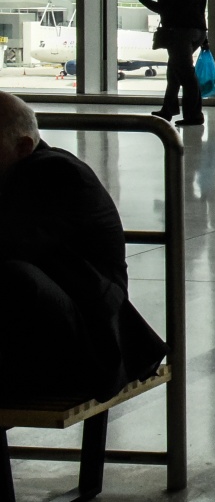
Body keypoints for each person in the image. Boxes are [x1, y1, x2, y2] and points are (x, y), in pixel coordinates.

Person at [0, 92, 167, 404]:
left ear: (23, 146)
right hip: (51, 331)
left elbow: (11, 244)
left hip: (90, 343)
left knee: (11, 275)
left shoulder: (53, 174)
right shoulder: (23, 172)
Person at [131, 0, 208, 128]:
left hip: (179, 33)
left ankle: (194, 115)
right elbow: (198, 11)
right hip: (197, 32)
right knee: (175, 72)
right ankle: (168, 110)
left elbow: (161, 9)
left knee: (185, 76)